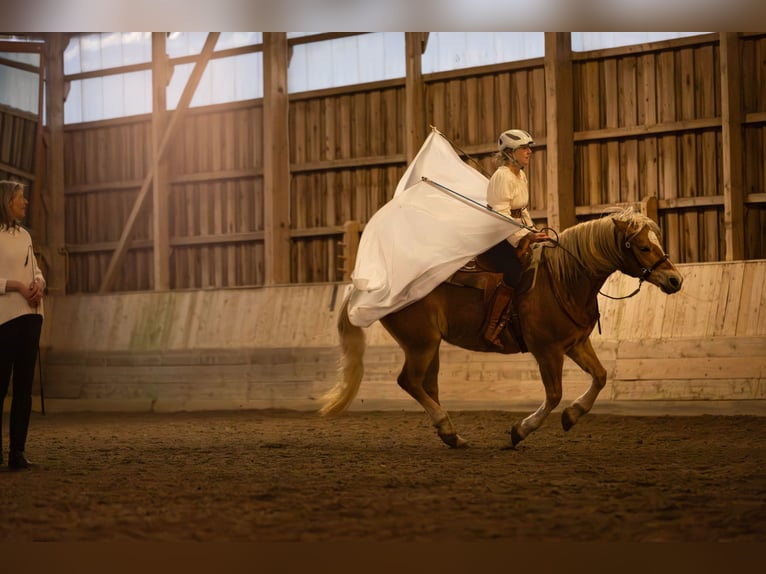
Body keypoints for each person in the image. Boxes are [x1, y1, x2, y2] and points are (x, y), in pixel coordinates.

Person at [482, 129, 548, 347]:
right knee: (514, 270)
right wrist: (524, 235)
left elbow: (521, 210)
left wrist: (532, 230)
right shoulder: (502, 177)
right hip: (498, 236)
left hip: (514, 231)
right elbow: (502, 216)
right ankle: (492, 328)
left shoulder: (520, 175)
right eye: (524, 148)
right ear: (510, 152)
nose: (529, 152)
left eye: (529, 148)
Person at [0, 180, 45, 470]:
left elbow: (35, 269)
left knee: (24, 388)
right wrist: (15, 285)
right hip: (5, 318)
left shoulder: (25, 235)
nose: (25, 202)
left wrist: (39, 283)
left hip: (31, 315)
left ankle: (17, 451)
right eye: (20, 198)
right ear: (7, 202)